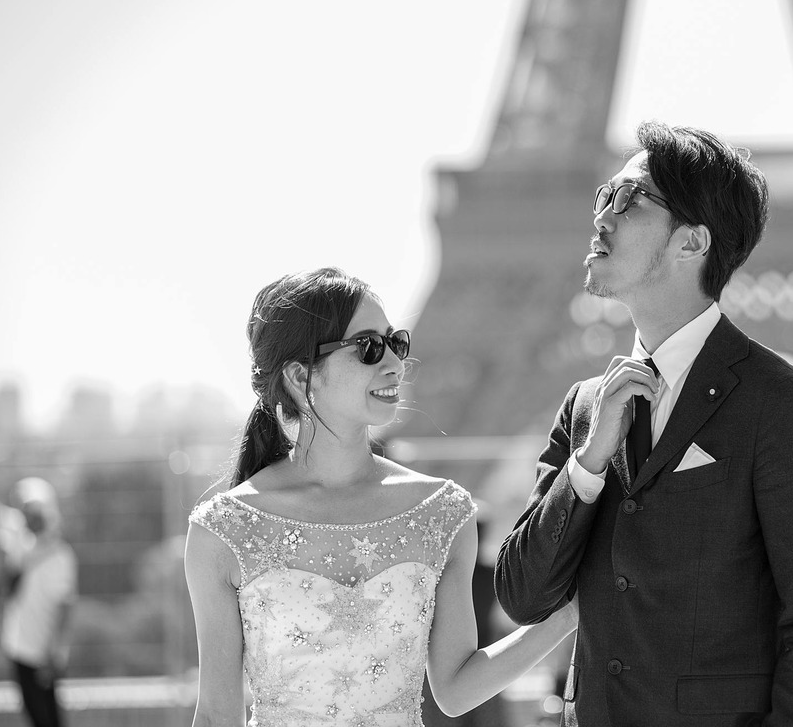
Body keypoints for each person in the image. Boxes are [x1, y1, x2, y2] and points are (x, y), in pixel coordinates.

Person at [495, 122, 793, 726]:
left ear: (692, 242)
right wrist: (587, 464)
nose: (602, 217)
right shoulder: (586, 408)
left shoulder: (781, 406)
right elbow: (522, 595)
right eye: (601, 198)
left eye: (629, 200)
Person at [185, 267, 577, 726]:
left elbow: (454, 689)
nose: (394, 362)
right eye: (368, 347)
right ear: (298, 374)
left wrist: (568, 615)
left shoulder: (442, 512)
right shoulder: (224, 530)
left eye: (397, 343)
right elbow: (215, 715)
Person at [0, 478, 77, 727]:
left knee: (48, 718)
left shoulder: (61, 556)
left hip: (43, 653)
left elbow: (65, 607)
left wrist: (57, 651)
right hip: (19, 646)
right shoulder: (21, 548)